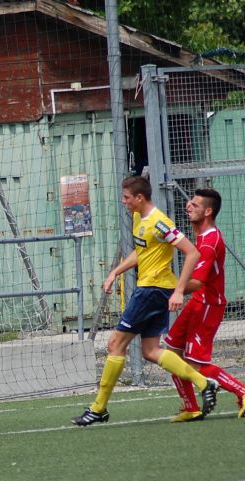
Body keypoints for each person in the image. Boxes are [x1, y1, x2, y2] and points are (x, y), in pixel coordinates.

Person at [72, 175, 219, 426]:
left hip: (152, 290)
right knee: (151, 350)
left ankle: (99, 408)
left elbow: (191, 252)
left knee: (115, 343)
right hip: (151, 290)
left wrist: (178, 290)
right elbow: (142, 253)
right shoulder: (139, 218)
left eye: (127, 198)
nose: (124, 202)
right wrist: (115, 271)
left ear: (139, 198)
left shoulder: (160, 223)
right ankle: (205, 383)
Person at [164, 188, 245, 421]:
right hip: (197, 303)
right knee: (171, 354)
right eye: (189, 203)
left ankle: (243, 391)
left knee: (195, 365)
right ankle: (191, 407)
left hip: (208, 305)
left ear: (208, 211)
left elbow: (196, 282)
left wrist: (165, 289)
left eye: (195, 205)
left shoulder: (209, 241)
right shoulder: (201, 235)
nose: (188, 207)